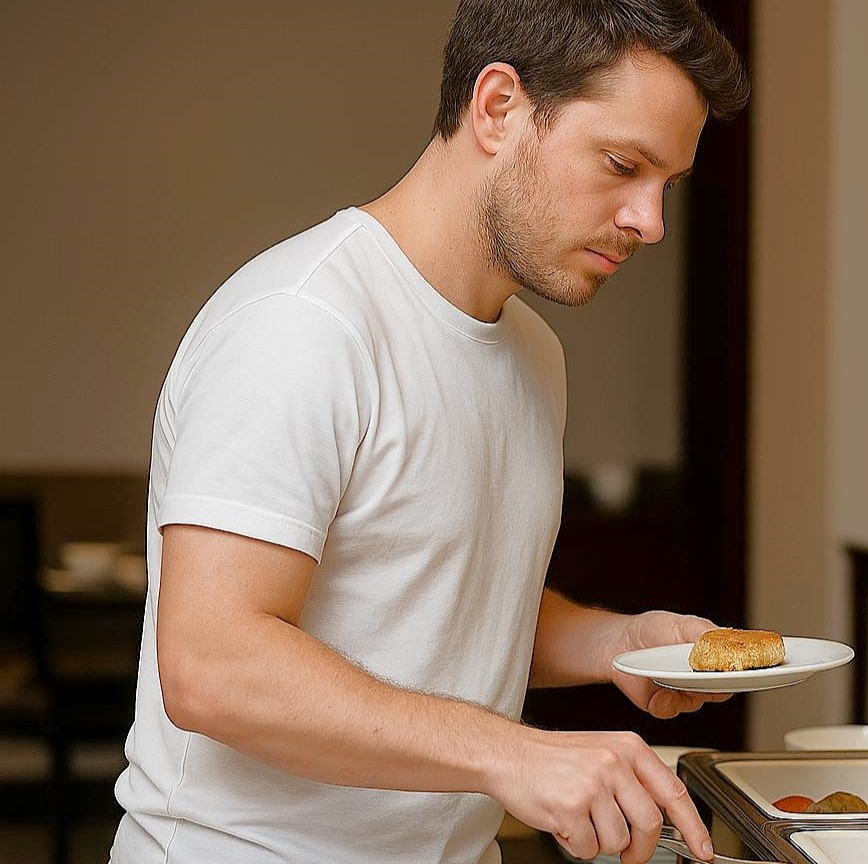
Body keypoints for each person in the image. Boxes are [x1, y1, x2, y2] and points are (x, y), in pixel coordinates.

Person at [109, 1, 749, 862]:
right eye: (622, 164)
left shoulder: (534, 353)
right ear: (497, 108)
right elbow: (212, 665)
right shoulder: (301, 325)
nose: (650, 222)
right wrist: (511, 753)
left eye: (665, 185)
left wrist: (615, 643)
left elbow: (433, 609)